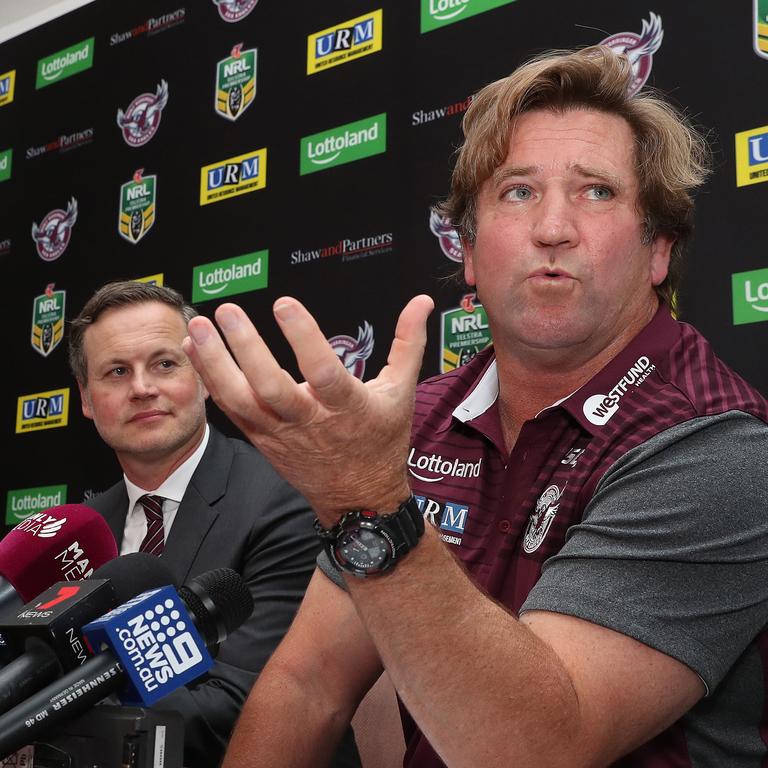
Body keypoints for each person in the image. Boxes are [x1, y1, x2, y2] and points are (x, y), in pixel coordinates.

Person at [183, 46, 768, 767]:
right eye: (518, 192)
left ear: (657, 252)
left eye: (597, 192)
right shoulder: (417, 420)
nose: (553, 228)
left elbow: (538, 750)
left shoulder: (715, 447)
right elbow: (308, 686)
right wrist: (368, 493)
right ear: (467, 250)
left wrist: (365, 499)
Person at [68, 281, 361, 768]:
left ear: (204, 377)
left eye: (164, 364)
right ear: (87, 398)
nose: (142, 388)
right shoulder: (80, 529)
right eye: (117, 372)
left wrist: (49, 709)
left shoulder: (286, 498)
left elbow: (246, 700)